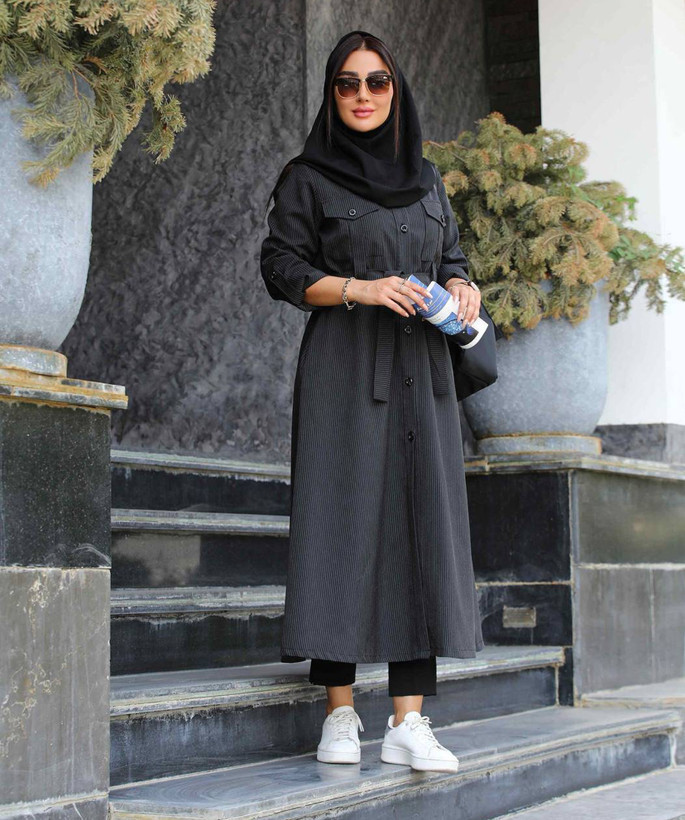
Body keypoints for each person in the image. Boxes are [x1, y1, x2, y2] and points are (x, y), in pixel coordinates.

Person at [260, 30, 484, 773]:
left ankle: (407, 722)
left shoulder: (426, 178)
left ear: (397, 90)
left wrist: (461, 286)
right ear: (332, 93)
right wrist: (358, 287)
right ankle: (339, 711)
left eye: (377, 81)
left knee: (421, 527)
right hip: (345, 368)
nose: (363, 95)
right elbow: (281, 266)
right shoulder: (308, 177)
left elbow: (450, 257)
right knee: (340, 526)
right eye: (348, 83)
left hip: (423, 371)